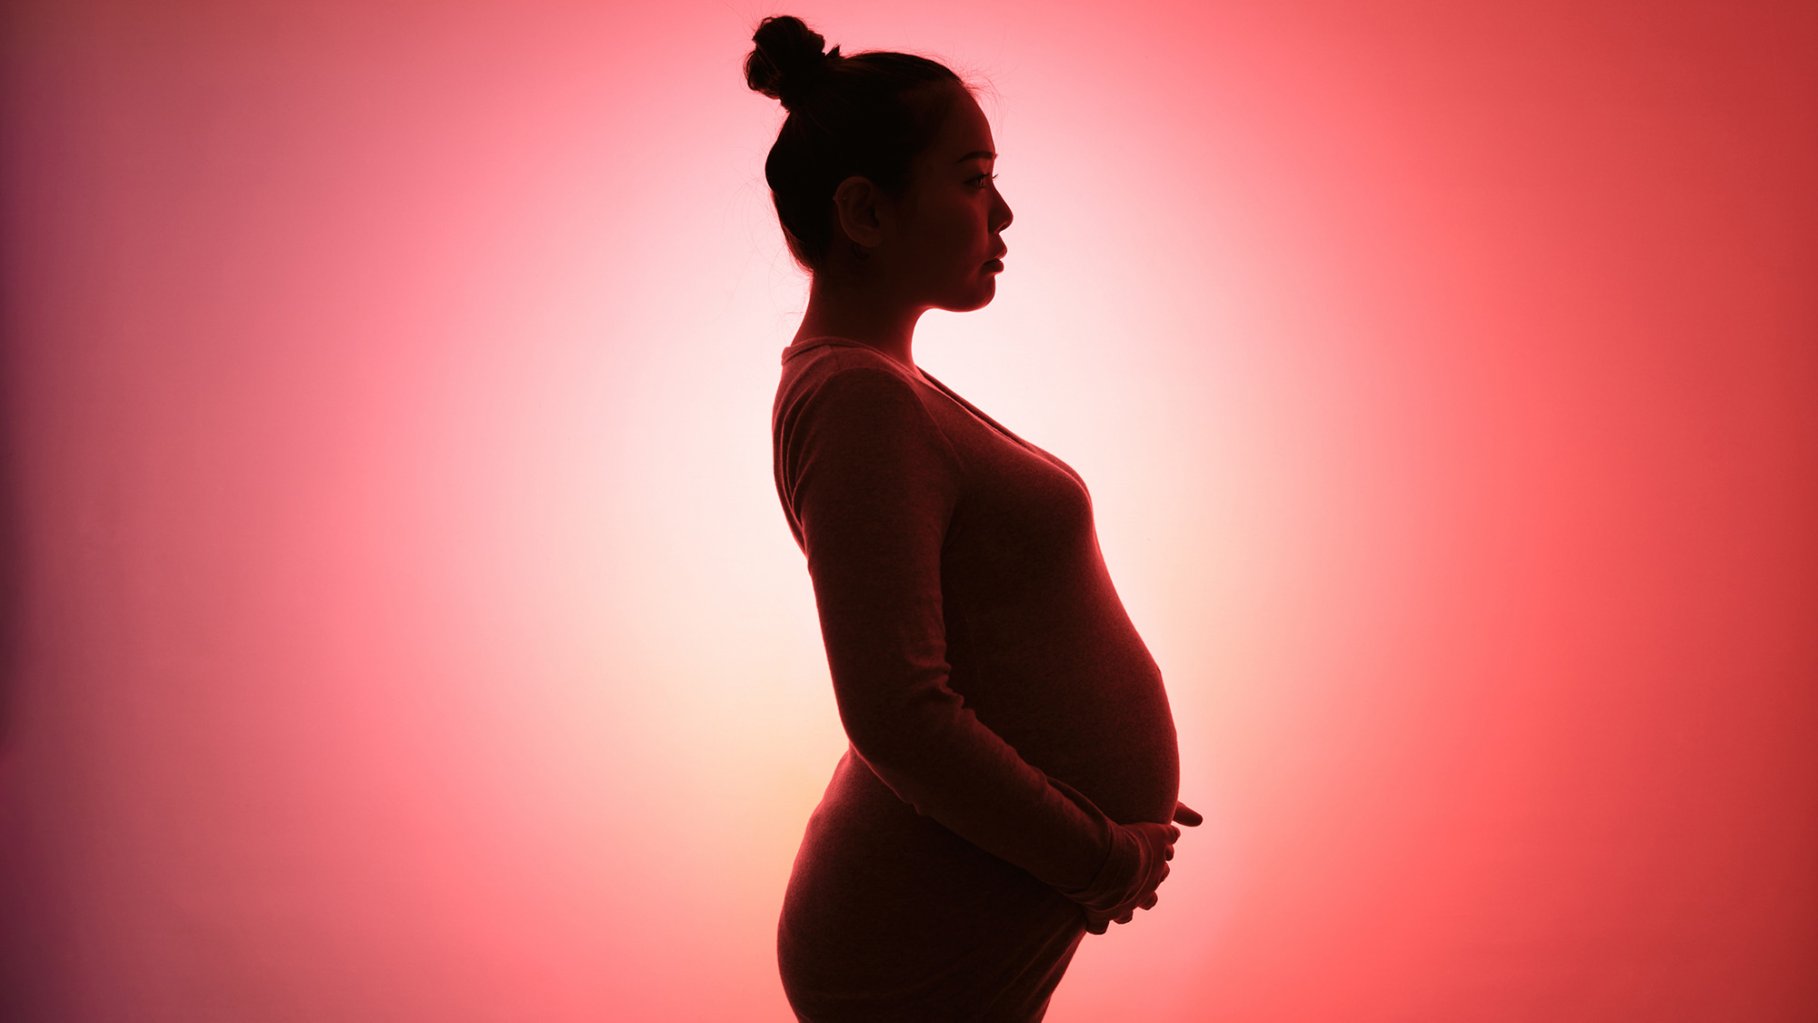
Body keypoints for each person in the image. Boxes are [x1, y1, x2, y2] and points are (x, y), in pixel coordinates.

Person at [748, 14, 1202, 1021]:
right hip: (907, 942)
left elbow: (995, 635)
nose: (1004, 213)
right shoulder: (857, 400)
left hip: (951, 909)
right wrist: (1098, 852)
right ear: (865, 212)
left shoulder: (882, 389)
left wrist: (1112, 788)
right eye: (971, 178)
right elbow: (897, 716)